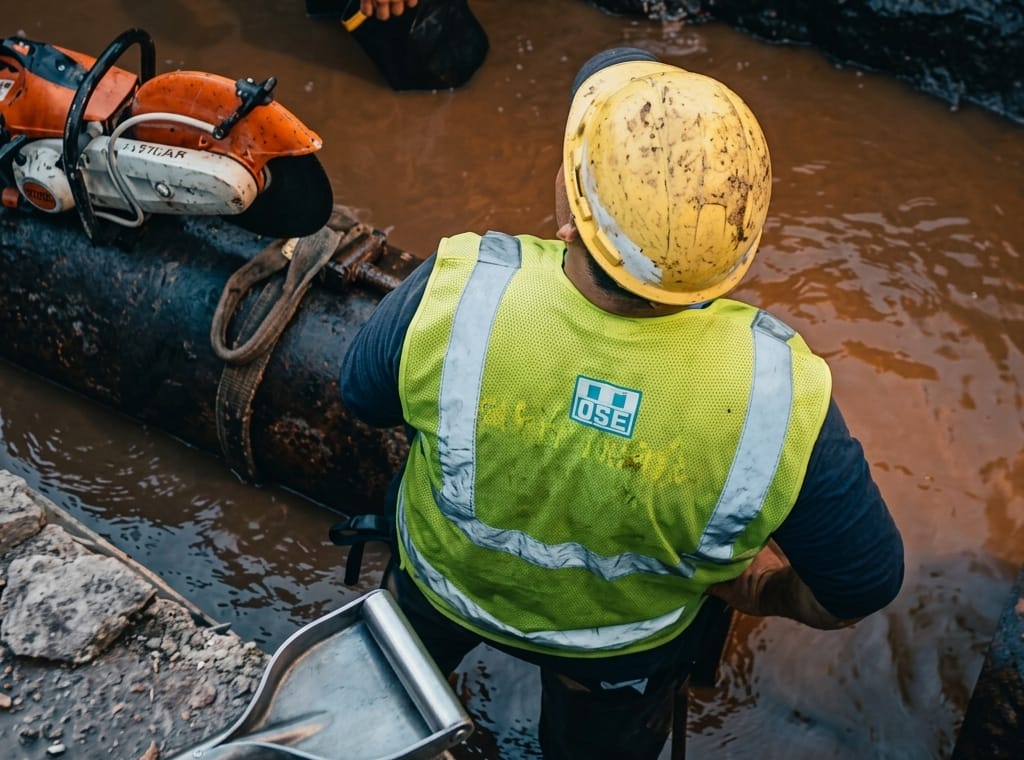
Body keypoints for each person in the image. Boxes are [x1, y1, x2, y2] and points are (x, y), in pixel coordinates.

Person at [340, 47, 904, 759]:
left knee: (390, 715)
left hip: (440, 590)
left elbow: (362, 397)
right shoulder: (778, 396)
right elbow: (861, 585)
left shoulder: (461, 290)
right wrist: (760, 591)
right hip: (617, 654)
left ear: (571, 219)